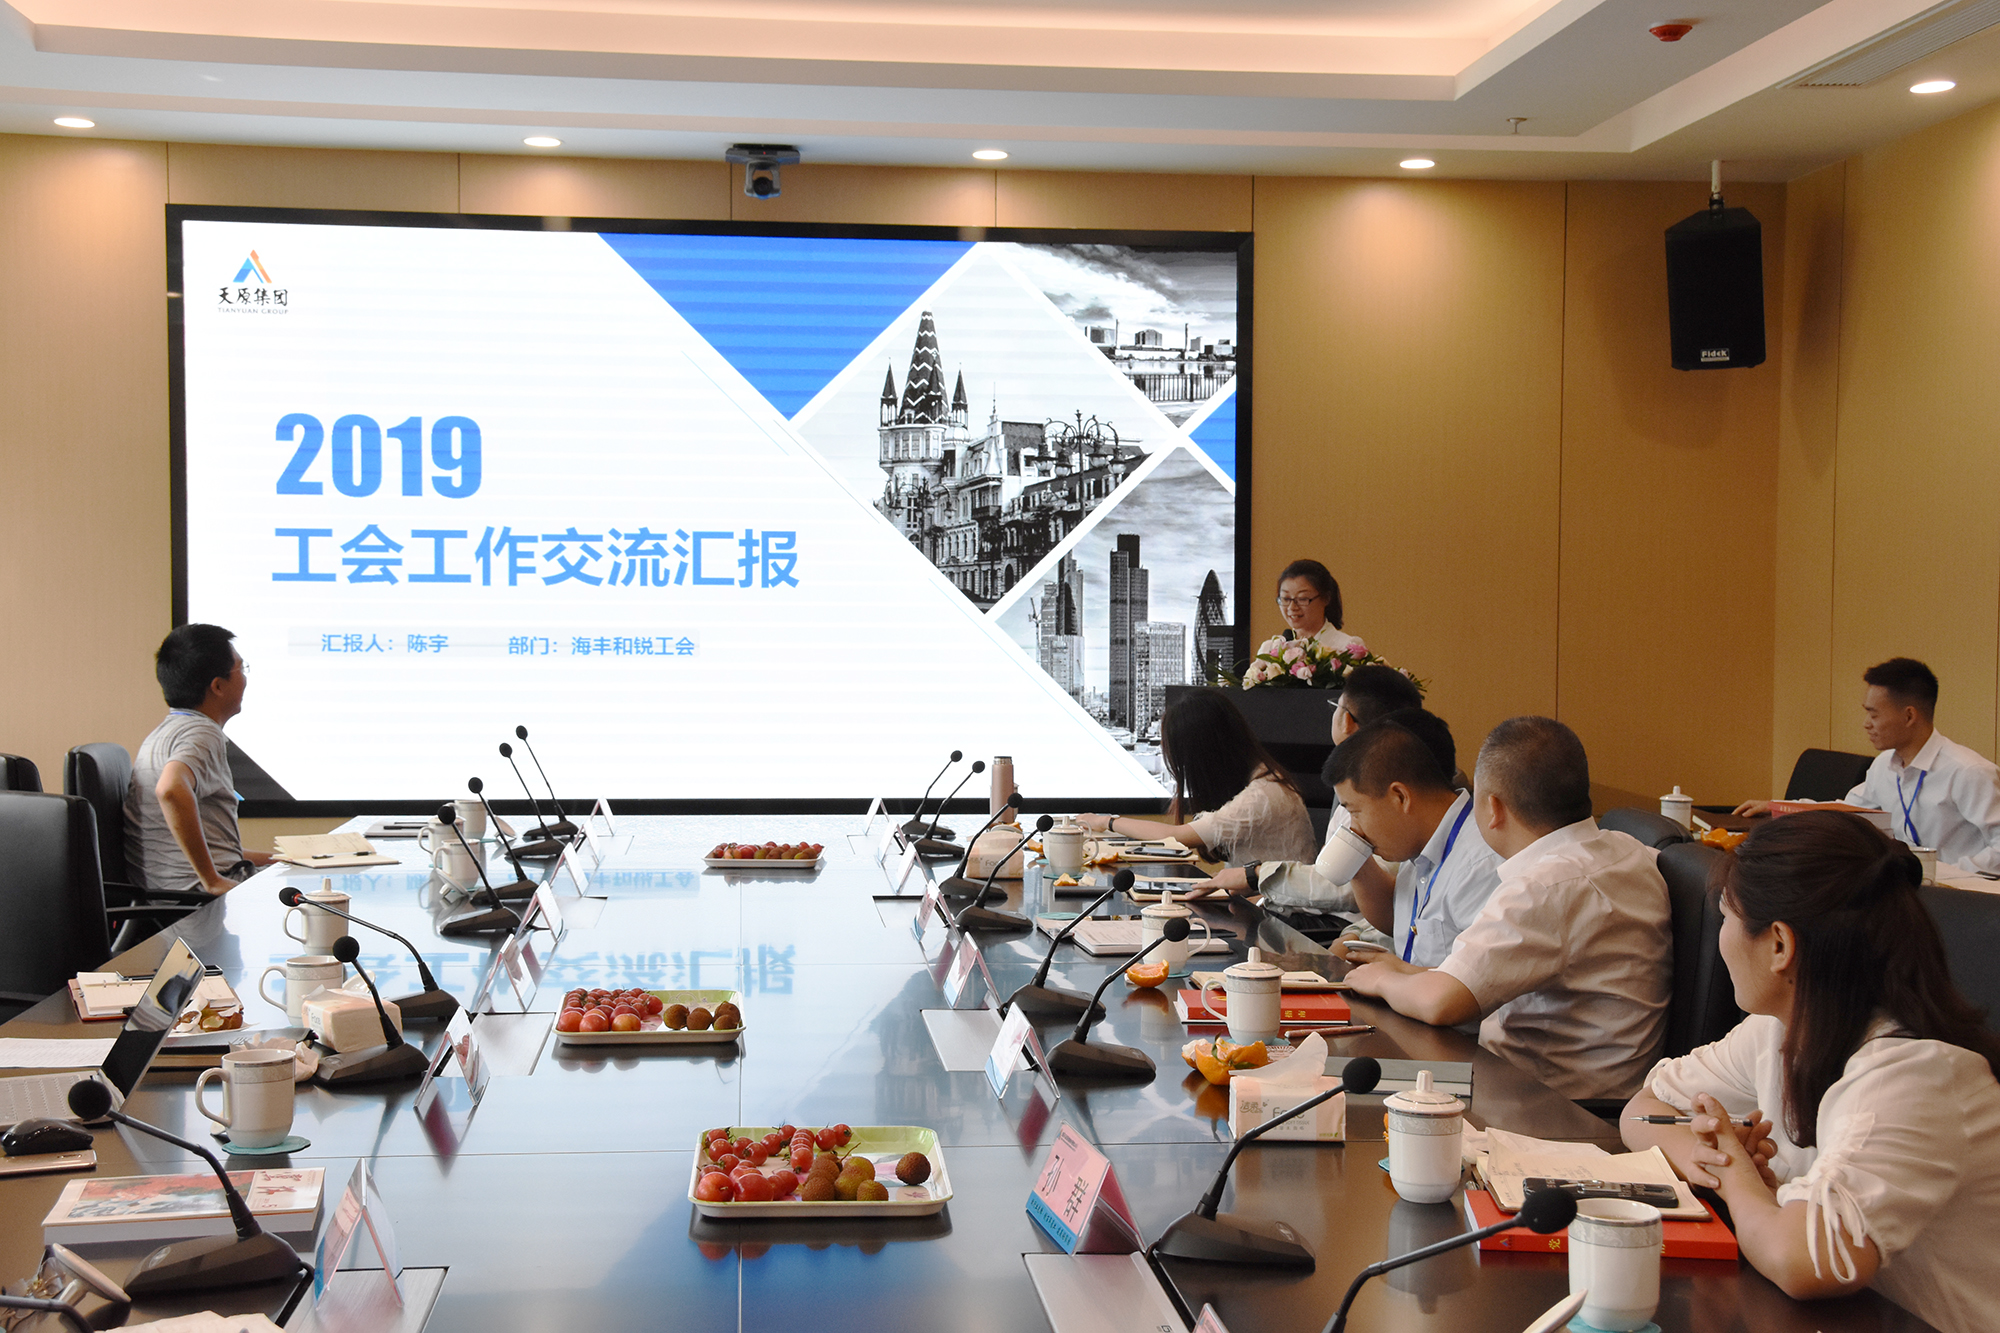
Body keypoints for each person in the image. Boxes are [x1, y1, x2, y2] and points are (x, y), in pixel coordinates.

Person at [1624, 811, 2000, 1333]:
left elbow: (1802, 1261)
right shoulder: (1777, 1029)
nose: (1720, 937)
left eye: (1726, 917)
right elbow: (1642, 1111)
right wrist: (1708, 1159)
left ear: (1780, 944)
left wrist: (1735, 1176)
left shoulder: (1917, 1075)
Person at [1342, 716, 1672, 1100]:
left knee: (1343, 1084)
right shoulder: (1629, 850)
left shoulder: (1544, 887)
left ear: (1493, 808)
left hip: (1541, 1102)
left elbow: (1440, 1003)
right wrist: (1402, 972)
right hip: (1585, 1092)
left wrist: (1380, 981)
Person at [1184, 663, 1423, 905]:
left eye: (1336, 707)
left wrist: (1256, 876)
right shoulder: (1365, 777)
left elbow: (1346, 886)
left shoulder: (1380, 794)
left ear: (1346, 721)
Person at [1736, 657, 2000, 874]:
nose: (1866, 724)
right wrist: (1781, 808)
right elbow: (1849, 811)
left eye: (1874, 714)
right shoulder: (1885, 764)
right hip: (1909, 888)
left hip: (1962, 896)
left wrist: (1947, 872)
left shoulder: (1969, 772)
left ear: (1909, 716)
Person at [1304, 710, 1503, 967]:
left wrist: (1396, 976)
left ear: (1400, 797)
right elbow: (1399, 923)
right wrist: (1357, 861)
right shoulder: (1419, 844)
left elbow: (1479, 981)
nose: (1354, 828)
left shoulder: (1480, 863)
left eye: (1354, 812)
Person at [1075, 690, 1316, 865]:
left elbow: (1180, 837)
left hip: (1281, 913)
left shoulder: (1263, 796)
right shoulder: (1263, 779)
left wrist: (1106, 822)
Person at [125, 623, 260, 895]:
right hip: (197, 899)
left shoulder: (164, 733)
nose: (245, 679)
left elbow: (217, 850)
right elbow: (171, 790)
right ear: (218, 686)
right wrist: (212, 880)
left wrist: (280, 858)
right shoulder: (202, 733)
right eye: (241, 669)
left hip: (172, 892)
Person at [1273, 559, 1361, 655]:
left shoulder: (1347, 647)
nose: (1292, 607)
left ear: (1326, 598)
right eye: (1286, 599)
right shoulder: (1272, 648)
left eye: (1302, 599)